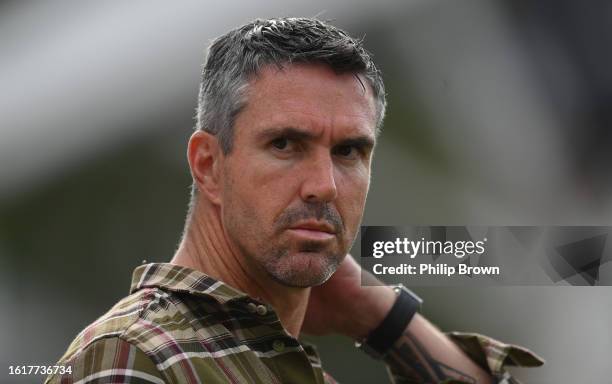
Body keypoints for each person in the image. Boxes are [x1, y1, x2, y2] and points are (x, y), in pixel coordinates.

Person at [46, 17, 542, 384]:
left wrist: (376, 313)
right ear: (208, 165)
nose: (323, 185)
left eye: (349, 151)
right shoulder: (136, 357)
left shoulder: (284, 366)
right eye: (285, 144)